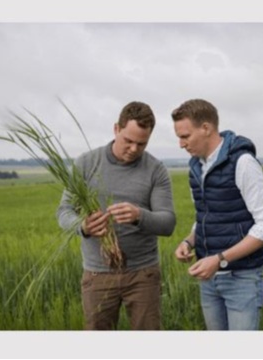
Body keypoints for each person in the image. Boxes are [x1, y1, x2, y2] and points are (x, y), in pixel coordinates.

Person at [57, 101, 176, 330]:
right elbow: (64, 212)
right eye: (128, 141)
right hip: (97, 273)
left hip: (143, 274)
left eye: (141, 144)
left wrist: (139, 215)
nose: (133, 149)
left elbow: (168, 222)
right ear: (116, 129)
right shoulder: (86, 163)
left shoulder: (155, 169)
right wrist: (84, 226)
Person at [170, 98, 263, 330]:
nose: (181, 144)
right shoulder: (195, 168)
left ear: (206, 128)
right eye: (179, 137)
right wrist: (189, 241)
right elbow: (208, 217)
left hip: (242, 279)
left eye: (185, 136)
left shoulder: (243, 163)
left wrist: (219, 259)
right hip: (209, 279)